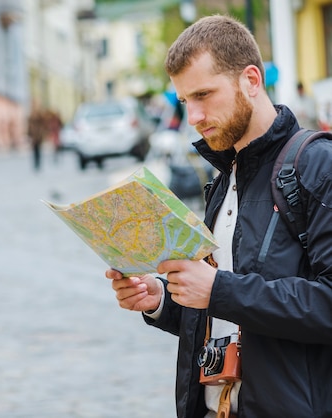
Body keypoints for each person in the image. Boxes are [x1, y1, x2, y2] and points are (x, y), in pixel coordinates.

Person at [105, 15, 332, 418]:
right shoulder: (224, 179)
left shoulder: (317, 165)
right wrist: (161, 299)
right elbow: (226, 317)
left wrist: (218, 290)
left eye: (204, 95)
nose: (192, 116)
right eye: (184, 101)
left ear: (251, 80)